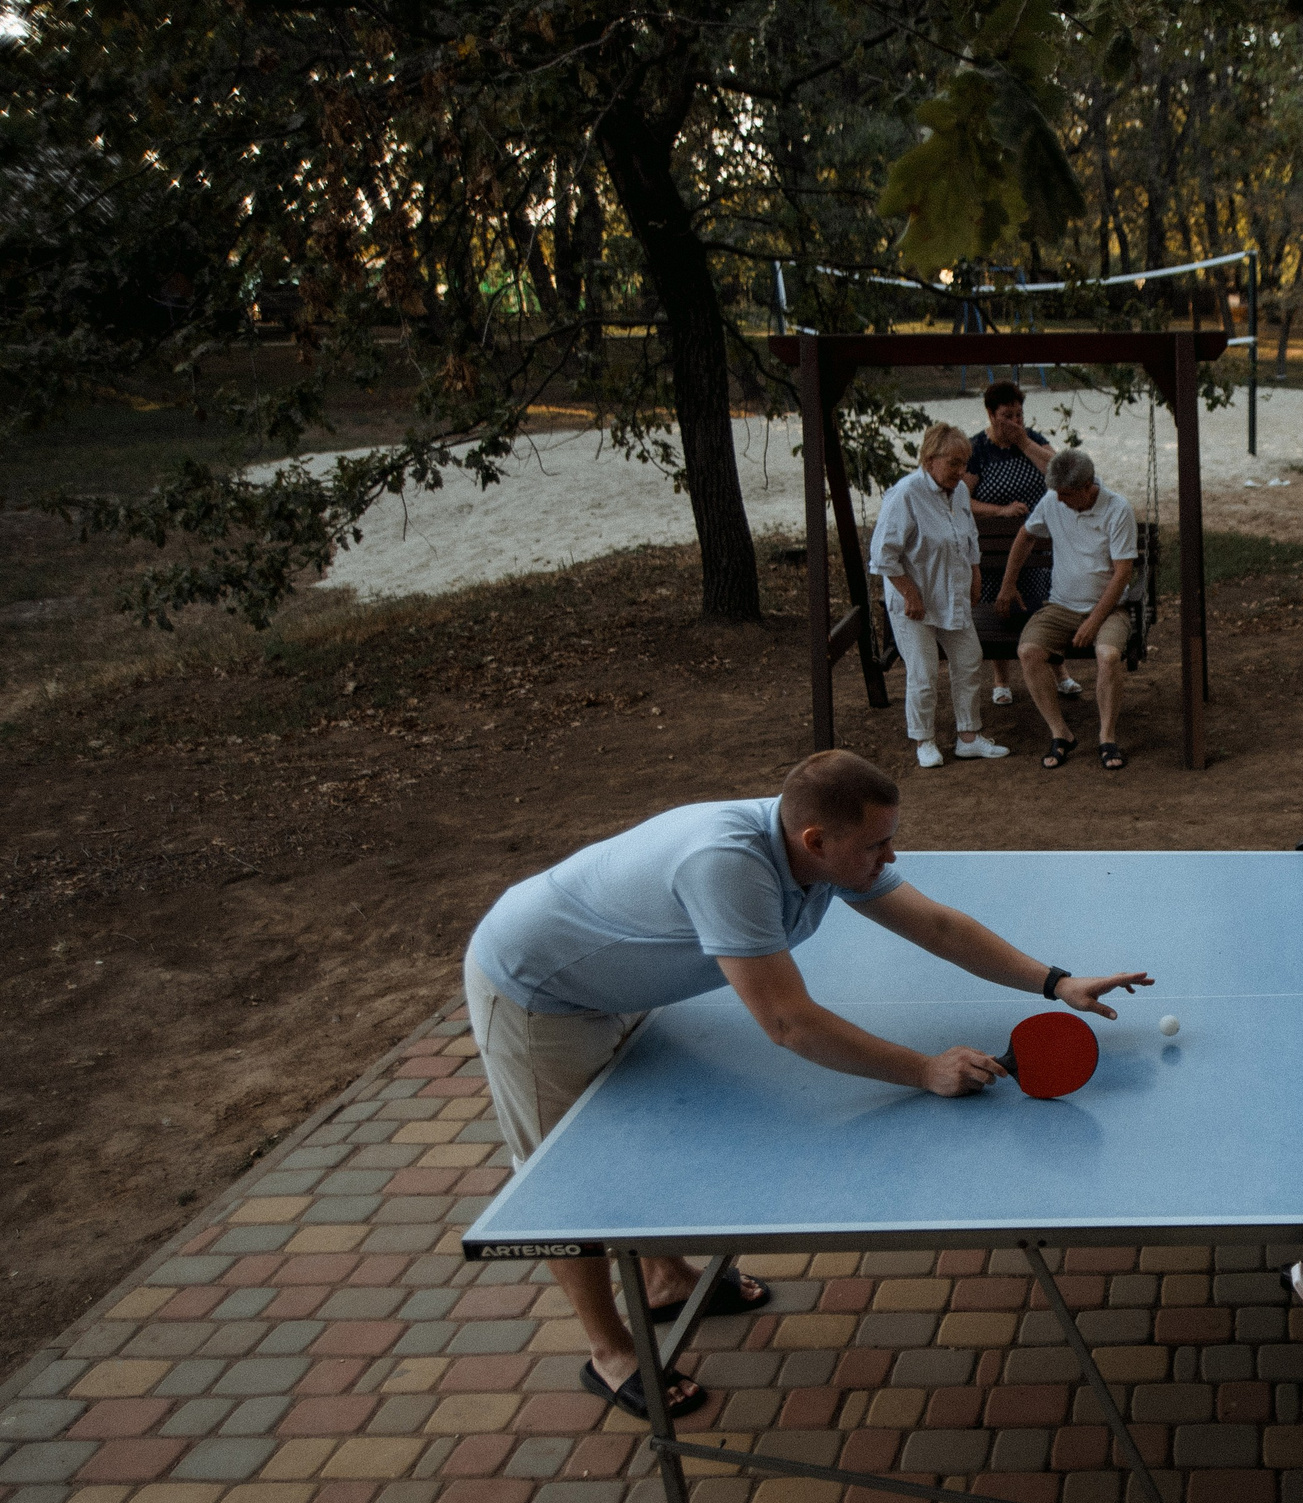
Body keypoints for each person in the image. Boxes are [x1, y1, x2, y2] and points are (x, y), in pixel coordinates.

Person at [462, 750, 1153, 1421]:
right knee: (569, 1184)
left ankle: (663, 1276)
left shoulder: (820, 848)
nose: (890, 860)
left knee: (622, 1146)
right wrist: (923, 1069)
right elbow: (790, 1023)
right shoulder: (728, 867)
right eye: (878, 845)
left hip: (619, 974)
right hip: (540, 991)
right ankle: (609, 1351)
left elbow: (939, 927)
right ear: (815, 839)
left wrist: (1057, 981)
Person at [872, 423, 1008, 768]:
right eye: (954, 464)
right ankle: (924, 740)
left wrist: (975, 574)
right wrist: (909, 594)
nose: (962, 472)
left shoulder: (958, 490)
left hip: (951, 592)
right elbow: (883, 554)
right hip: (913, 599)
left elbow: (969, 537)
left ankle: (969, 736)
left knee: (968, 659)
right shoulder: (905, 494)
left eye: (965, 464)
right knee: (923, 672)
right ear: (930, 459)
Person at [998, 448, 1139, 771]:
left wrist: (1093, 620)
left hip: (1109, 609)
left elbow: (1122, 573)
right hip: (1061, 605)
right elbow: (1025, 535)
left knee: (1108, 655)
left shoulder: (1117, 510)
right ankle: (1061, 733)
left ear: (1088, 486)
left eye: (1066, 494)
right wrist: (1009, 583)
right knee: (1029, 651)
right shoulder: (1052, 501)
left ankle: (1107, 736)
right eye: (1056, 493)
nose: (1058, 500)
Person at [964, 381, 1085, 709]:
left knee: (1047, 608)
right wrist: (1000, 511)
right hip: (996, 548)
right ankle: (1001, 678)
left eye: (1019, 414)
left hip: (1040, 546)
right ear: (991, 415)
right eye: (1007, 416)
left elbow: (1062, 473)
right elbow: (962, 501)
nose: (1015, 421)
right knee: (999, 610)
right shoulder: (977, 450)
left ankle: (1059, 671)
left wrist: (1023, 441)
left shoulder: (1033, 440)